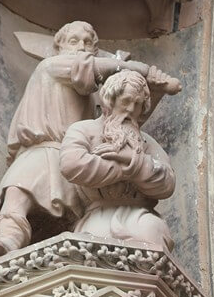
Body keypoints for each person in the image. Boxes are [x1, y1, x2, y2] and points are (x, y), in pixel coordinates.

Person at [0, 21, 180, 258]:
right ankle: (9, 239)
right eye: (74, 41)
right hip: (45, 149)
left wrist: (154, 91)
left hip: (93, 176)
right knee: (18, 187)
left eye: (88, 42)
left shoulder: (98, 97)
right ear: (58, 47)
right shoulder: (51, 66)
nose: (81, 47)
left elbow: (123, 125)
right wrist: (133, 68)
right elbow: (86, 68)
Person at [60, 70, 175, 249]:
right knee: (94, 250)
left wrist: (133, 162)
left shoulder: (147, 142)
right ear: (110, 99)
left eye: (138, 104)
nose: (131, 109)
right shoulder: (84, 130)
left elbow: (167, 182)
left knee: (152, 236)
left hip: (142, 217)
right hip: (97, 217)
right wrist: (130, 167)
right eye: (126, 101)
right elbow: (72, 165)